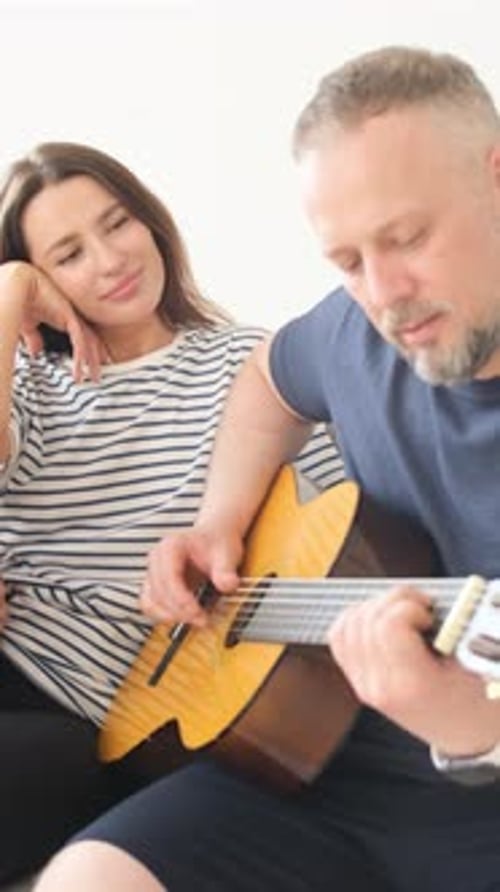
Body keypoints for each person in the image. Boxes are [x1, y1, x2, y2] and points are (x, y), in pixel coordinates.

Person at [33, 46, 500, 892]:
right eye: (347, 261)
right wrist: (220, 520)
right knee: (86, 878)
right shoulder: (354, 329)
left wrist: (477, 729)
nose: (384, 293)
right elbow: (266, 383)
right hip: (315, 765)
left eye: (408, 238)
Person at [0, 141, 342, 885]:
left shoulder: (254, 368)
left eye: (117, 223)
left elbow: (338, 522)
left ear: (151, 223)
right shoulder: (28, 384)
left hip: (106, 718)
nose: (111, 258)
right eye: (67, 254)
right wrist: (6, 292)